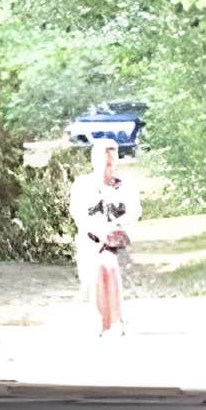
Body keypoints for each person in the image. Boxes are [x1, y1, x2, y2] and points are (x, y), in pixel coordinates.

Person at [69, 139, 141, 337]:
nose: (108, 164)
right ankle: (101, 322)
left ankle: (117, 321)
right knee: (97, 272)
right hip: (91, 239)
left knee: (112, 268)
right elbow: (78, 214)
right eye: (104, 159)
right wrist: (101, 233)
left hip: (118, 241)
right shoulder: (82, 185)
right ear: (94, 160)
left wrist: (117, 228)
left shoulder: (126, 186)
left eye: (112, 159)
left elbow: (135, 211)